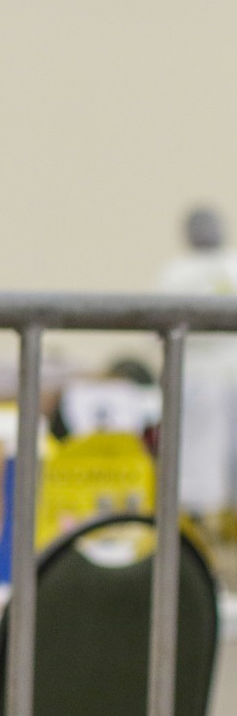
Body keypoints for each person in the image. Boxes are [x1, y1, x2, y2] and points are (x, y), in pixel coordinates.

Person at [157, 206, 237, 516]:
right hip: (192, 375)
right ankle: (196, 521)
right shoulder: (175, 271)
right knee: (194, 457)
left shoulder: (233, 264)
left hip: (230, 373)